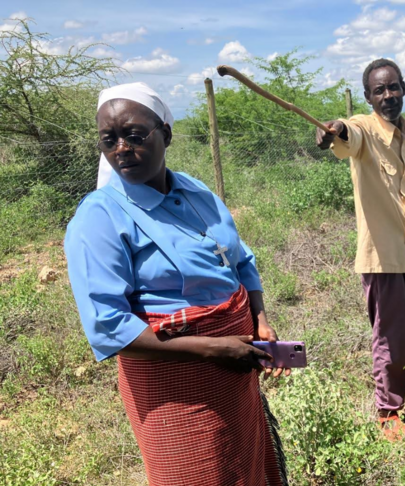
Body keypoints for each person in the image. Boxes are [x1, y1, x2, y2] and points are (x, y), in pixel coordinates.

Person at [65, 82, 289, 486]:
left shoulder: (197, 192)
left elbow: (241, 259)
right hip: (174, 385)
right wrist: (210, 348)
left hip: (234, 370)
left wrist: (260, 318)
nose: (121, 148)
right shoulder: (98, 218)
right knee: (192, 473)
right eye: (109, 139)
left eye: (134, 135)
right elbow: (107, 325)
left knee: (245, 466)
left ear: (165, 134)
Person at [316, 59, 405, 441]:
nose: (388, 96)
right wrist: (335, 130)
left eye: (393, 88)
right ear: (368, 96)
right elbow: (345, 133)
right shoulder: (365, 131)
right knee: (391, 339)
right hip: (383, 260)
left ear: (403, 87)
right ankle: (389, 412)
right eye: (379, 90)